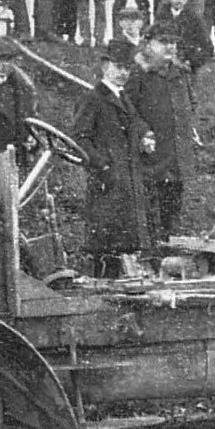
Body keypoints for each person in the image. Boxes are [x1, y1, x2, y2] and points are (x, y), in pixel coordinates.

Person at [71, 39, 152, 278]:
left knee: (124, 244)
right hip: (107, 184)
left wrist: (145, 136)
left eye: (127, 68)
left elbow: (134, 124)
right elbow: (79, 139)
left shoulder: (123, 97)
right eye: (117, 67)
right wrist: (102, 166)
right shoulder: (94, 98)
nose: (122, 73)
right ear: (105, 66)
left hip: (126, 183)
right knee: (105, 246)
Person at [125, 21, 200, 245]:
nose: (170, 47)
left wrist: (189, 127)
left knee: (172, 217)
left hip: (176, 159)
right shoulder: (138, 74)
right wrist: (143, 132)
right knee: (149, 217)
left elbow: (190, 104)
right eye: (163, 42)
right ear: (148, 45)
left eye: (173, 43)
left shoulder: (180, 74)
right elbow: (127, 111)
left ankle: (169, 259)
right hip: (151, 160)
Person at [157, 0, 213, 72]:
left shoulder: (194, 18)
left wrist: (192, 62)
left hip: (185, 66)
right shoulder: (162, 16)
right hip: (163, 65)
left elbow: (208, 47)